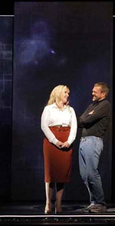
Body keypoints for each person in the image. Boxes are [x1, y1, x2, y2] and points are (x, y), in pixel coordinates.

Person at [41, 85, 77, 214]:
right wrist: (55, 141)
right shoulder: (48, 109)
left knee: (62, 174)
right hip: (52, 142)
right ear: (58, 94)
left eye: (68, 93)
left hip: (66, 140)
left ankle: (59, 203)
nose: (67, 95)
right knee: (50, 174)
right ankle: (48, 203)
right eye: (65, 92)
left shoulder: (70, 110)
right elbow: (44, 126)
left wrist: (69, 142)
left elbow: (74, 128)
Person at [78, 82, 111, 213]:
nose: (92, 93)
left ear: (103, 93)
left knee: (92, 173)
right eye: (92, 91)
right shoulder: (92, 105)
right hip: (84, 141)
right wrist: (87, 116)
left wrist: (87, 117)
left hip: (93, 141)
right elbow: (81, 120)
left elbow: (85, 121)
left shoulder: (105, 105)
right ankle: (93, 202)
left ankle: (100, 203)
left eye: (95, 91)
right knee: (84, 175)